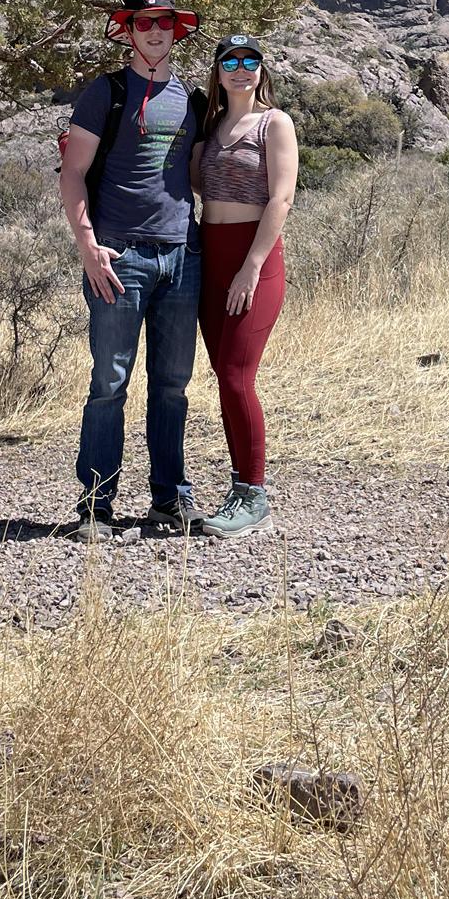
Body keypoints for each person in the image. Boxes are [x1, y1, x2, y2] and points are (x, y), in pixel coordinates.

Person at [59, 0, 208, 540]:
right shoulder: (108, 92)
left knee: (172, 385)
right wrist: (88, 245)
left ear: (176, 30)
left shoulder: (190, 99)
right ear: (127, 29)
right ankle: (97, 508)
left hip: (181, 255)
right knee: (109, 383)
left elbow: (194, 174)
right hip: (118, 258)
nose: (155, 31)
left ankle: (170, 500)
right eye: (143, 22)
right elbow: (72, 172)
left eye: (164, 22)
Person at [193, 34, 298, 537]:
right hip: (209, 257)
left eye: (250, 61)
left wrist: (251, 266)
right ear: (217, 72)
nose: (240, 69)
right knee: (222, 375)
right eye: (230, 61)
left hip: (251, 262)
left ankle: (253, 494)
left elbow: (280, 199)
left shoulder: (274, 124)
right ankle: (239, 486)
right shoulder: (212, 126)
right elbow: (196, 181)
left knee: (237, 376)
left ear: (261, 70)